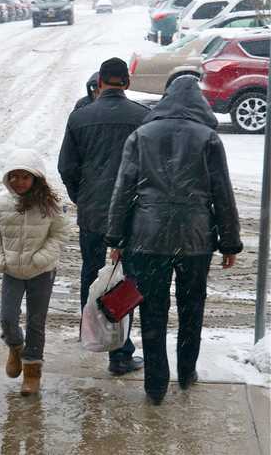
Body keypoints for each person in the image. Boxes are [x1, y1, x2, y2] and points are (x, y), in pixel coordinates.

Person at [106, 76, 243, 405]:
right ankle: (187, 369)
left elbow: (123, 189)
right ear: (198, 102)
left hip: (147, 236)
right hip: (195, 238)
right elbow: (222, 192)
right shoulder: (208, 137)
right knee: (192, 305)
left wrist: (115, 236)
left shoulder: (141, 135)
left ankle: (155, 384)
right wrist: (229, 241)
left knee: (152, 309)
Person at [57, 57, 150, 375]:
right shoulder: (143, 117)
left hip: (94, 213)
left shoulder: (80, 118)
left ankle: (93, 332)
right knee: (125, 280)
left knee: (93, 273)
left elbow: (67, 167)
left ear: (100, 83)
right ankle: (120, 351)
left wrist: (81, 196)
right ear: (126, 81)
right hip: (132, 216)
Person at [0, 150, 69, 395]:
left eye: (25, 177)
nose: (19, 182)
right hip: (11, 270)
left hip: (42, 271)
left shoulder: (51, 204)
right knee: (8, 318)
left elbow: (61, 233)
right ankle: (15, 347)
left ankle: (32, 372)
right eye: (15, 176)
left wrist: (41, 258)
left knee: (36, 322)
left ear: (36, 178)